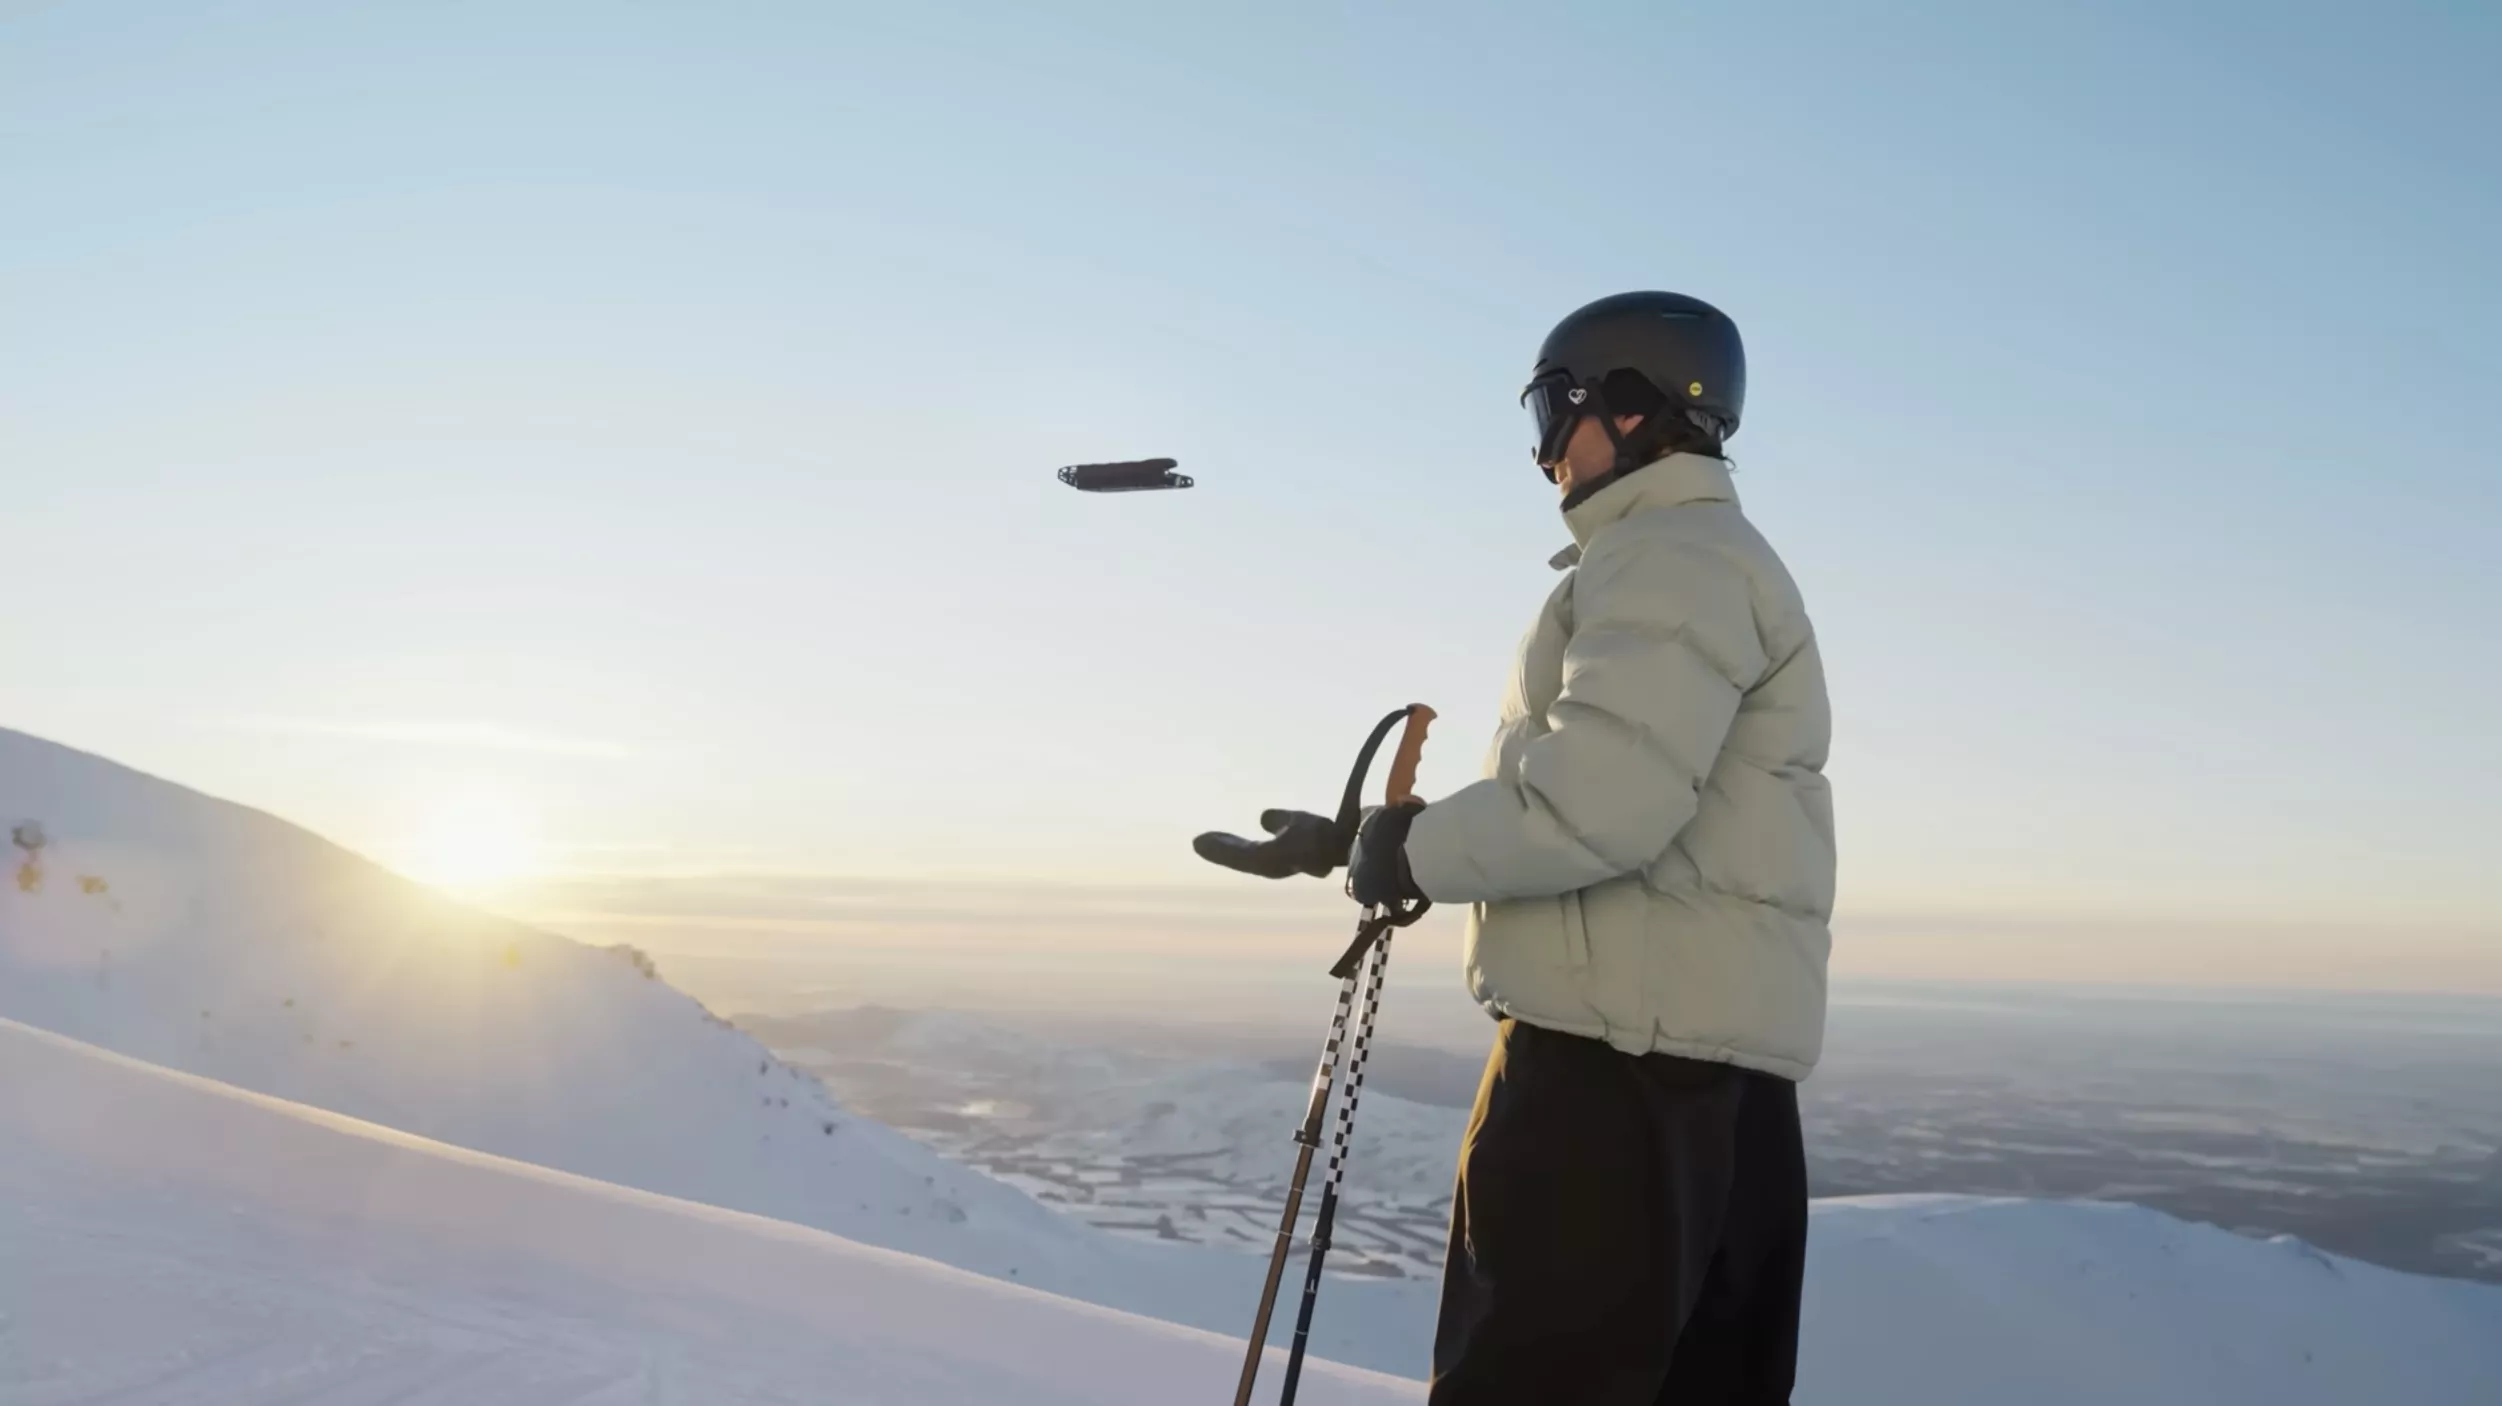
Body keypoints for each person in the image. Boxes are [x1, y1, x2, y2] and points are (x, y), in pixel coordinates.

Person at [1209, 290, 1836, 1402]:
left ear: (1636, 410)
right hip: (1701, 1083)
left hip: (1611, 1083)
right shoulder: (1704, 560)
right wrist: (1364, 836)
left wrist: (1404, 856)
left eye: (1554, 409)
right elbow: (1612, 781)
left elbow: (1592, 806)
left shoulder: (1668, 557)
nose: (1543, 451)